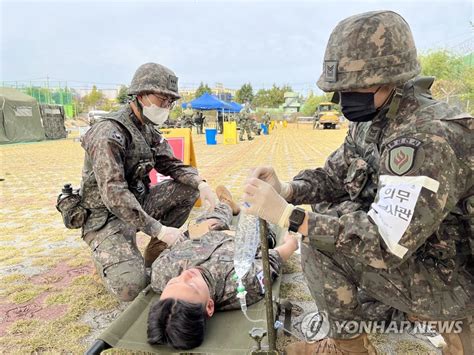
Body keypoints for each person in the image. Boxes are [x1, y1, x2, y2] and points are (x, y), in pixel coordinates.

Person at [243, 11, 473, 354]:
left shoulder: (425, 137)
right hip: (423, 252)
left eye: (356, 87)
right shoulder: (377, 117)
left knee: (320, 241)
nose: (346, 97)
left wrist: (290, 217)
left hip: (454, 277)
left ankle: (351, 348)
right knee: (327, 211)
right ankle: (385, 309)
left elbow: (383, 243)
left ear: (393, 78)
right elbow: (336, 175)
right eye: (340, 90)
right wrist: (287, 190)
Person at [73, 63, 217, 302]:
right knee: (131, 286)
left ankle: (155, 249)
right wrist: (159, 229)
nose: (166, 107)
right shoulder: (108, 133)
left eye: (171, 102)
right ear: (140, 96)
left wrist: (201, 183)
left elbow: (170, 163)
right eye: (162, 100)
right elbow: (114, 194)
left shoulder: (147, 129)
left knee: (187, 189)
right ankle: (106, 258)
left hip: (138, 204)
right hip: (106, 217)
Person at [147, 186, 299, 350]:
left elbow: (175, 246)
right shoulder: (240, 284)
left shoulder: (160, 274)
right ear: (210, 306)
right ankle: (237, 208)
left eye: (173, 283)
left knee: (213, 217)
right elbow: (271, 260)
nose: (185, 275)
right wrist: (290, 245)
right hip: (243, 239)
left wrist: (192, 233)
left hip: (204, 234)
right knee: (257, 215)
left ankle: (227, 205)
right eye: (191, 285)